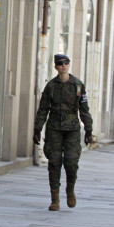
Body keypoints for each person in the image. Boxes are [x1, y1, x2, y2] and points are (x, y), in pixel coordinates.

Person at [33, 53, 93, 211]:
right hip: (54, 128)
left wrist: (88, 129)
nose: (63, 66)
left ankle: (70, 189)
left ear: (69, 65)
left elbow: (84, 109)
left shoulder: (77, 85)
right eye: (60, 63)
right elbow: (43, 109)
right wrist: (37, 128)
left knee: (71, 162)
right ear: (56, 67)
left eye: (66, 63)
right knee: (54, 163)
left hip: (72, 129)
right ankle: (55, 199)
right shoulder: (51, 86)